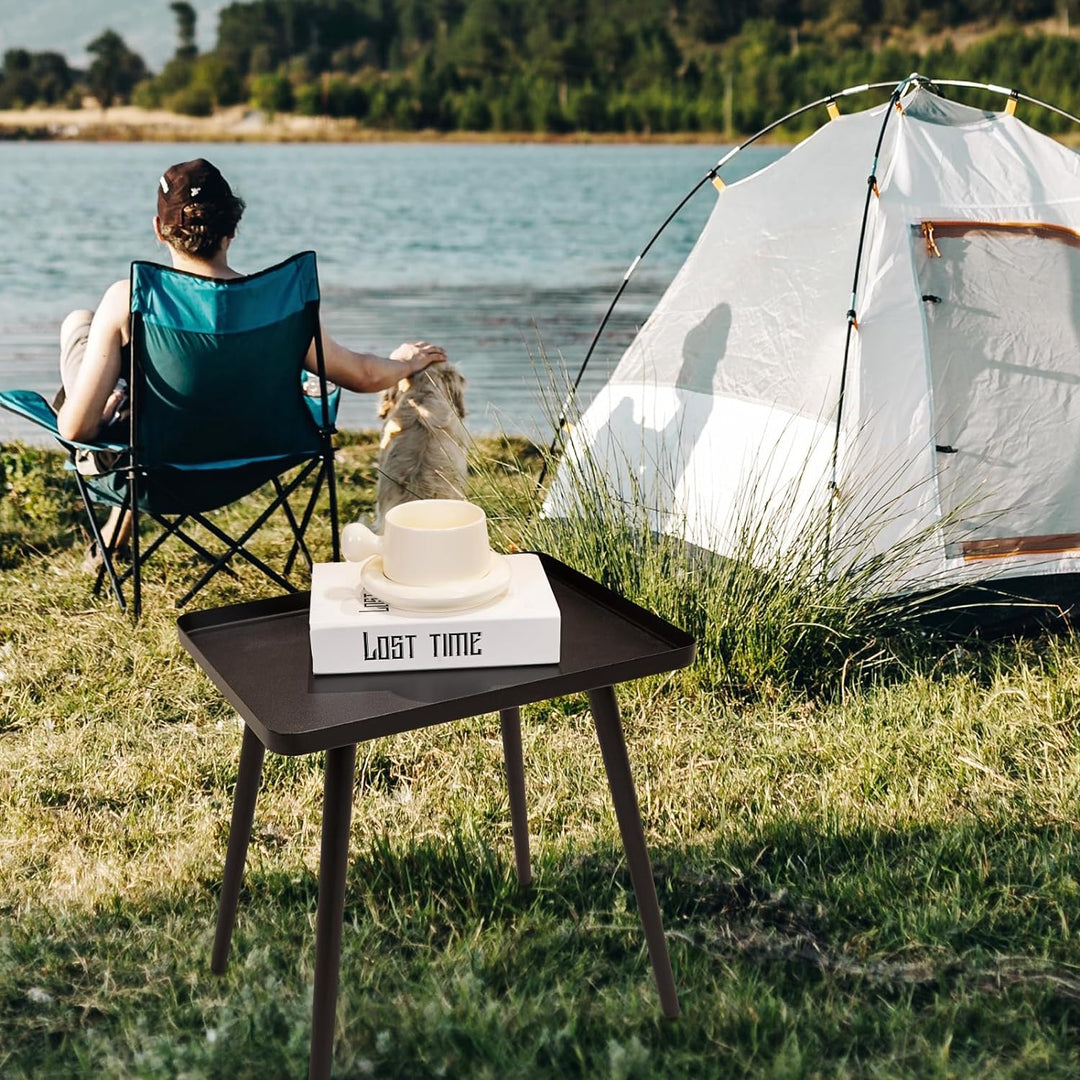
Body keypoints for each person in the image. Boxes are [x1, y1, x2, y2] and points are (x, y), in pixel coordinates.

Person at [56, 157, 447, 563]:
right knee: (147, 390)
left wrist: (99, 415)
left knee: (80, 324)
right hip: (254, 466)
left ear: (159, 230)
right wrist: (403, 362)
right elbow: (364, 374)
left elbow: (76, 427)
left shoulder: (130, 297)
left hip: (154, 471)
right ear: (233, 229)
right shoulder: (279, 303)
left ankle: (116, 397)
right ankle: (114, 514)